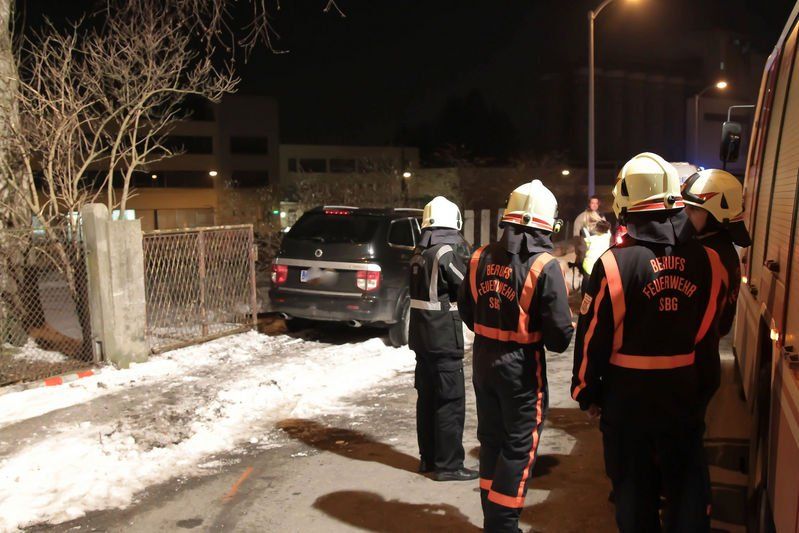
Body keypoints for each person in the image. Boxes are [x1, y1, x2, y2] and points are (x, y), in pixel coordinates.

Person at [571, 152, 728, 532]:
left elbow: (592, 337)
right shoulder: (711, 261)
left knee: (633, 495)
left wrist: (586, 392)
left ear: (626, 204)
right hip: (684, 393)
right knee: (687, 491)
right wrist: (702, 388)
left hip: (628, 400)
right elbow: (711, 333)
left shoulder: (613, 264)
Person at [459, 179, 574, 532]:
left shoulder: (479, 257)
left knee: (491, 442)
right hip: (521, 367)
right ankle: (502, 526)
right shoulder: (544, 265)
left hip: (483, 361)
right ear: (547, 223)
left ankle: (492, 520)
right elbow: (558, 338)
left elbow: (467, 311)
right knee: (519, 448)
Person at [408, 196, 478, 482]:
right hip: (443, 339)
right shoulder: (445, 252)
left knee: (427, 400)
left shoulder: (419, 252)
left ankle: (428, 459)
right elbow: (467, 286)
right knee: (450, 403)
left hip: (421, 338)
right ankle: (449, 465)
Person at [682, 169, 751, 404]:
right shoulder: (722, 250)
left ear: (716, 215)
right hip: (705, 360)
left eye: (693, 209)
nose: (685, 213)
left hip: (693, 365)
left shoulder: (708, 257)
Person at [581, 219, 612, 294]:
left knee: (586, 287)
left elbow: (585, 236)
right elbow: (608, 230)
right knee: (598, 288)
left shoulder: (591, 239)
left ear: (597, 229)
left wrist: (585, 228)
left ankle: (585, 299)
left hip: (589, 267)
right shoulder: (608, 236)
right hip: (601, 266)